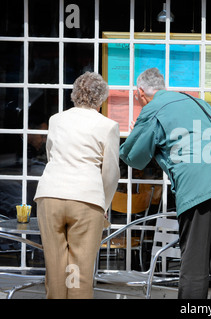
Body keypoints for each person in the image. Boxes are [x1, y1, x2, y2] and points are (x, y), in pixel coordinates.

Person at [119, 68, 211, 299]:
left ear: (140, 92)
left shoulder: (154, 109)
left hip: (197, 189)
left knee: (194, 265)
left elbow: (134, 157)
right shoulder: (197, 102)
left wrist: (136, 133)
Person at [34, 72, 120, 299]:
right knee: (79, 271)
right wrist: (104, 205)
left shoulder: (56, 119)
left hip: (49, 194)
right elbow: (111, 172)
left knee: (55, 268)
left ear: (74, 95)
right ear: (101, 99)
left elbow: (51, 155)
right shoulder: (108, 125)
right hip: (86, 197)